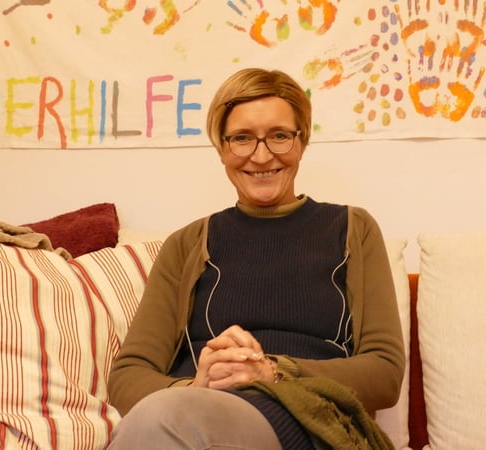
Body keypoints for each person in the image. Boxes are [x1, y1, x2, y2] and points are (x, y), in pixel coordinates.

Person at [107, 68, 405, 449]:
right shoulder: (187, 244)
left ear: (301, 142)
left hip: (310, 419)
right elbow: (128, 375)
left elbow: (385, 372)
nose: (262, 156)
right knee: (161, 421)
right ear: (222, 149)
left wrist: (273, 371)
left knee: (161, 422)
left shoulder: (352, 229)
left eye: (279, 136)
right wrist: (195, 386)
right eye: (242, 138)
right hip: (195, 412)